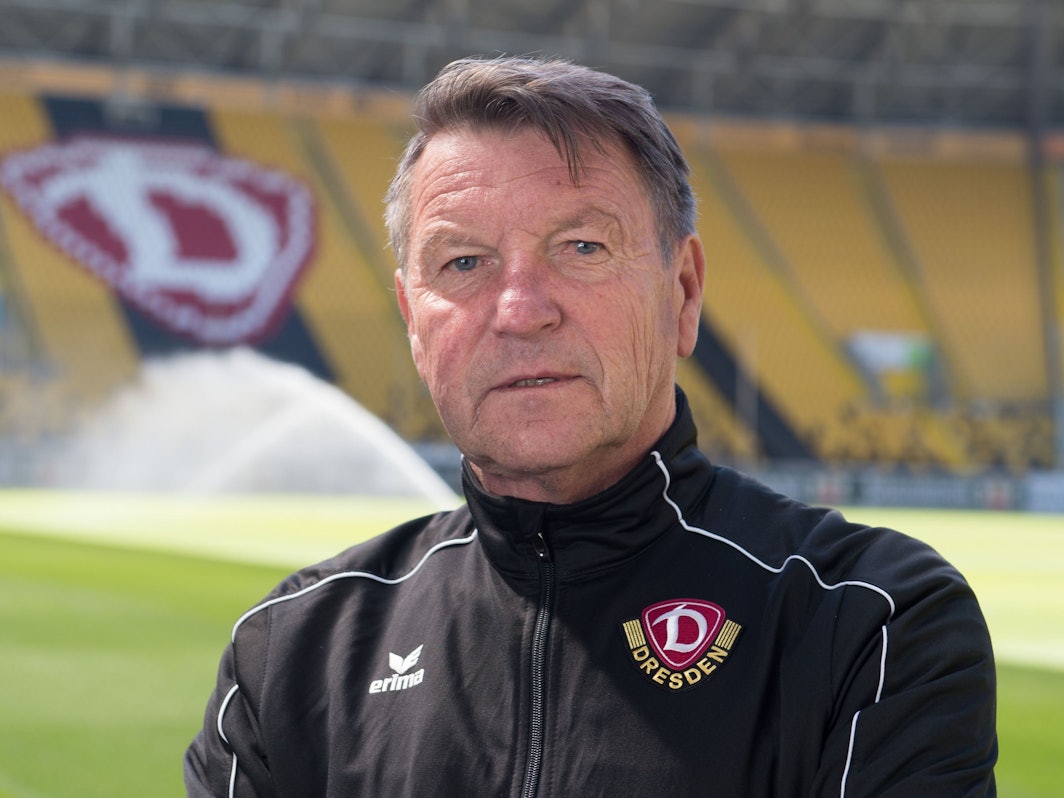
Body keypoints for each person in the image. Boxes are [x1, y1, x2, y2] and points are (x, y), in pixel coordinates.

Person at [185, 55, 997, 797]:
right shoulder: (292, 652)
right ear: (411, 317)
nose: (519, 311)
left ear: (682, 292)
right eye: (462, 263)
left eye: (579, 246)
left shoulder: (868, 621)